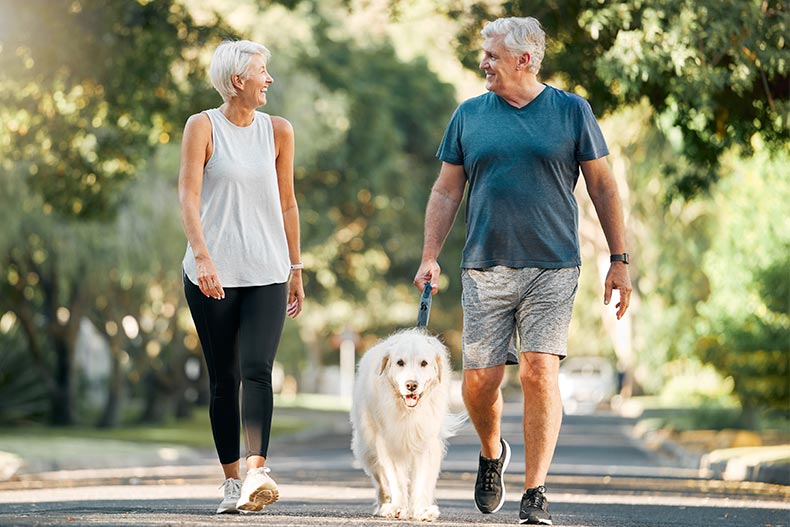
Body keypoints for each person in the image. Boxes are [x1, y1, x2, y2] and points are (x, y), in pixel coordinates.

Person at [413, 17, 631, 525]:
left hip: (553, 265)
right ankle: (493, 454)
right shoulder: (469, 115)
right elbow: (446, 191)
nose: (483, 62)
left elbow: (603, 187)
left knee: (539, 370)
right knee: (479, 383)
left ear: (524, 60)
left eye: (491, 54)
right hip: (484, 265)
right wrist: (429, 255)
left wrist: (619, 260)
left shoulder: (572, 111)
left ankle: (535, 492)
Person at [178, 39, 304, 514]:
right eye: (261, 72)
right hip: (212, 273)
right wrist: (203, 257)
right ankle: (232, 482)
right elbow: (189, 197)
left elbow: (288, 202)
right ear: (237, 80)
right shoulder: (202, 126)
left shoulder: (279, 131)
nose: (269, 79)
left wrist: (295, 267)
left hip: (267, 269)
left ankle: (256, 473)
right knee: (223, 377)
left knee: (257, 370)